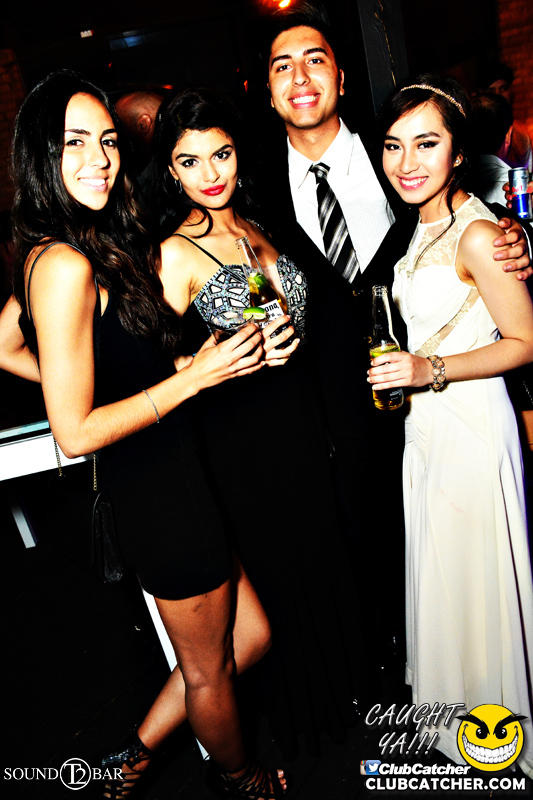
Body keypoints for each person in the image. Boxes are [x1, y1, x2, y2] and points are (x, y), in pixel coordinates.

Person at [0, 70, 290, 800]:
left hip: (172, 474)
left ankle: (128, 760)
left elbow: (5, 344)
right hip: (157, 494)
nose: (99, 158)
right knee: (209, 672)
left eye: (106, 141)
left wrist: (144, 376)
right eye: (74, 143)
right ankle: (242, 778)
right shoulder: (63, 264)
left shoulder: (72, 243)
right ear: (40, 154)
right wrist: (190, 379)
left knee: (249, 638)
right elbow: (74, 432)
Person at [256, 0, 532, 671]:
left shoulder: (399, 162)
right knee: (395, 573)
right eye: (282, 66)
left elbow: (467, 227)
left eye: (315, 60)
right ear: (266, 88)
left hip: (438, 405)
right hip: (333, 419)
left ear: (341, 77)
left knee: (468, 571)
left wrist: (516, 238)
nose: (300, 77)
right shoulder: (254, 187)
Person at [151, 86, 372, 759]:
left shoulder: (256, 224)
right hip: (240, 437)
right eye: (190, 162)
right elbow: (146, 359)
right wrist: (194, 360)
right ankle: (303, 721)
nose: (209, 173)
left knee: (321, 552)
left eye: (220, 154)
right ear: (171, 171)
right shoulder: (174, 252)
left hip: (299, 419)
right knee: (279, 571)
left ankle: (344, 698)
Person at [368, 75, 533, 776]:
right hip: (429, 429)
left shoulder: (480, 233)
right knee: (449, 577)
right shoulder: (421, 224)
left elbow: (524, 342)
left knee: (479, 581)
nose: (406, 162)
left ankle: (498, 734)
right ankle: (466, 724)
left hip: (469, 423)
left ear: (458, 152)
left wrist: (425, 369)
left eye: (426, 144)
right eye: (393, 145)